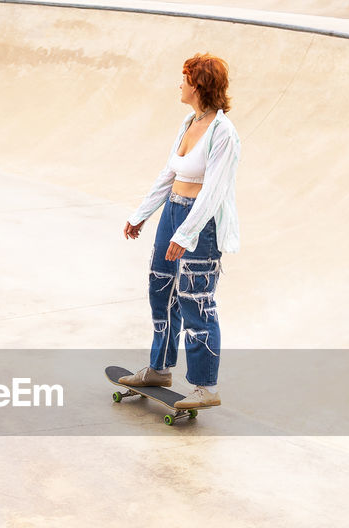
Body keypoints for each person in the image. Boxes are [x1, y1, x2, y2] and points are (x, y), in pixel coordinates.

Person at [121, 52, 241, 410]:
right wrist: (142, 213)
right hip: (173, 211)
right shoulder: (190, 121)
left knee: (196, 301)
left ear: (199, 84)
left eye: (184, 78)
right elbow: (170, 173)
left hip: (200, 224)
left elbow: (214, 190)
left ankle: (206, 386)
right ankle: (159, 368)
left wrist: (185, 235)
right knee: (161, 290)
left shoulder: (224, 133)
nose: (180, 84)